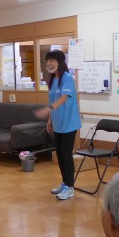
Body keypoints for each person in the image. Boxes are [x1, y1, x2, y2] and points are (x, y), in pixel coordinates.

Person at [34, 50, 81, 200]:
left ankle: (70, 188)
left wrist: (48, 109)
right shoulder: (53, 79)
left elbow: (63, 98)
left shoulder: (68, 78)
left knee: (66, 155)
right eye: (47, 61)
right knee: (59, 154)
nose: (48, 63)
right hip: (58, 122)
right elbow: (52, 100)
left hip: (69, 123)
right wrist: (50, 120)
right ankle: (65, 183)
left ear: (60, 61)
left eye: (51, 60)